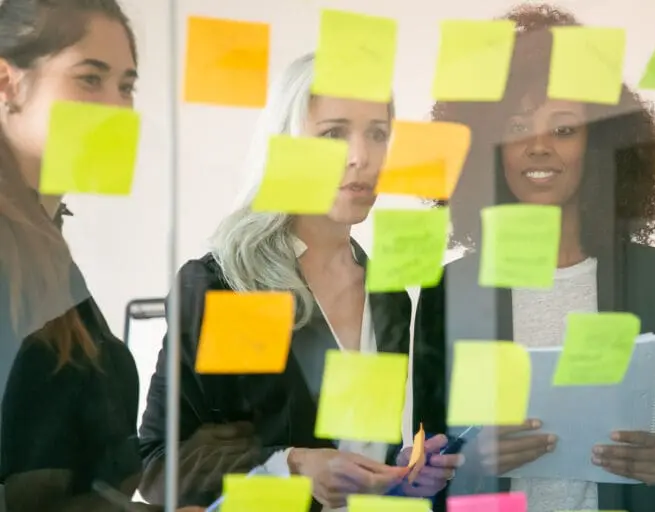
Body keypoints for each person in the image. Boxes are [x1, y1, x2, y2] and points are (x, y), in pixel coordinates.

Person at [412, 4, 655, 512]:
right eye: (518, 127)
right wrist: (473, 457)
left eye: (563, 129)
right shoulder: (448, 290)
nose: (538, 147)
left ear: (600, 144)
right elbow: (420, 462)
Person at [137, 53, 462, 512]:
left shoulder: (387, 297)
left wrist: (398, 473)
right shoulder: (228, 286)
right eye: (333, 133)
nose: (360, 157)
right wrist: (291, 466)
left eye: (377, 134)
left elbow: (355, 450)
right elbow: (159, 468)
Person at [0, 1, 202, 511]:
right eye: (90, 80)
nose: (117, 109)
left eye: (127, 86)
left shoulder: (41, 245)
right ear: (7, 85)